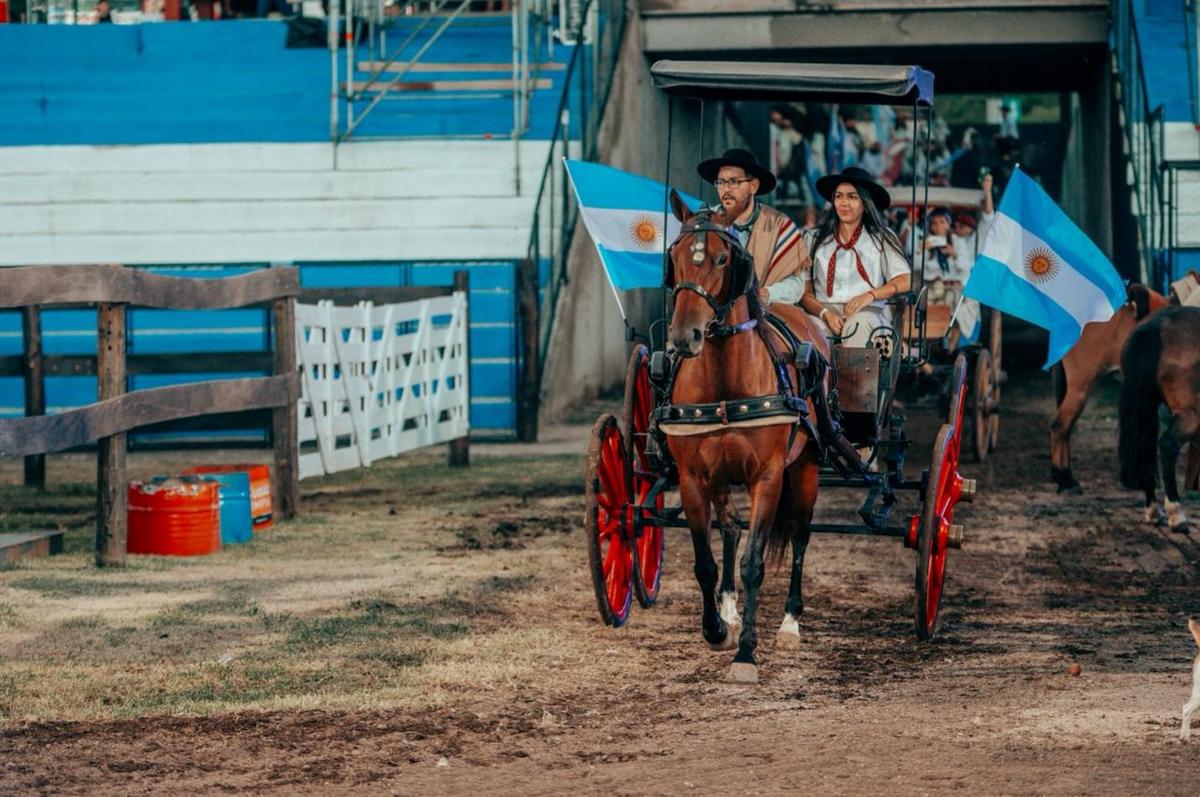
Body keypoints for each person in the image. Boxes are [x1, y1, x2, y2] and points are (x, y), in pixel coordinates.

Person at [802, 167, 911, 347]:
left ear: (865, 204)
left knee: (858, 327)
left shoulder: (882, 237)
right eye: (839, 196)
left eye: (852, 197)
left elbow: (905, 280)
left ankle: (855, 376)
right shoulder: (813, 239)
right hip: (823, 312)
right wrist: (825, 314)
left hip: (869, 312)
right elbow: (804, 291)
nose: (844, 203)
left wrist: (870, 295)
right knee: (811, 329)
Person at [695, 148, 809, 307]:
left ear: (753, 186)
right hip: (714, 313)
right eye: (720, 182)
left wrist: (767, 294)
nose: (726, 189)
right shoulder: (705, 223)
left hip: (766, 314)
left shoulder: (779, 225)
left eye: (734, 182)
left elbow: (796, 284)